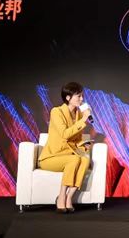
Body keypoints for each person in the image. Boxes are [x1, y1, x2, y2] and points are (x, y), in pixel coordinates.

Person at [38, 82, 93, 213]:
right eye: (78, 96)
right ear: (68, 98)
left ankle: (69, 197)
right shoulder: (56, 112)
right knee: (74, 160)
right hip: (51, 157)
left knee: (85, 160)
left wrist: (83, 144)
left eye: (82, 96)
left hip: (69, 153)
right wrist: (83, 120)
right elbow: (64, 134)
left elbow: (75, 139)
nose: (81, 99)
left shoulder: (79, 114)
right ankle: (61, 196)